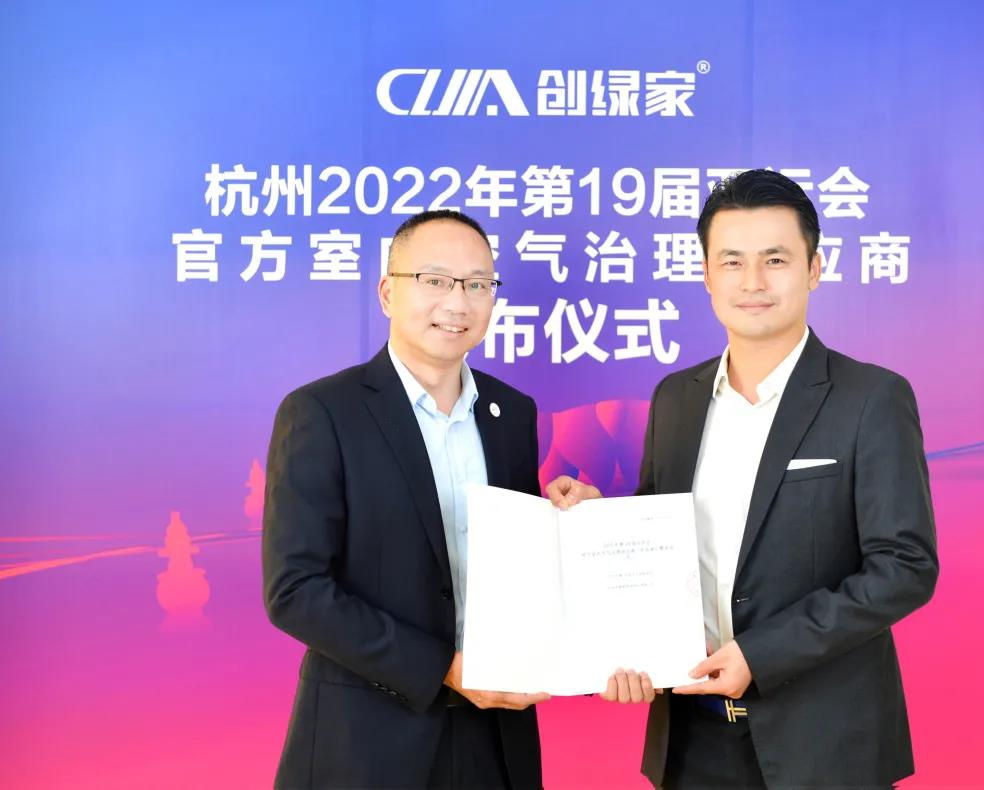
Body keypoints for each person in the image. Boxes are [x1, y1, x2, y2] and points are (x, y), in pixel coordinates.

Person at [548, 169, 938, 788]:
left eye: (775, 259)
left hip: (825, 747)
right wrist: (598, 521)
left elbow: (905, 567)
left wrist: (762, 654)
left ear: (814, 268)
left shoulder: (871, 398)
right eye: (732, 261)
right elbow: (658, 535)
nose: (752, 281)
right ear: (707, 275)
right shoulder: (676, 398)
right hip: (692, 740)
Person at [263, 209, 548, 789]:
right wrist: (443, 669)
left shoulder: (512, 413)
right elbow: (295, 590)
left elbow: (514, 562)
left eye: (478, 284)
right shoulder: (323, 412)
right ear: (388, 292)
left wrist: (562, 519)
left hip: (496, 740)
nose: (458, 302)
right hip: (368, 743)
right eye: (435, 280)